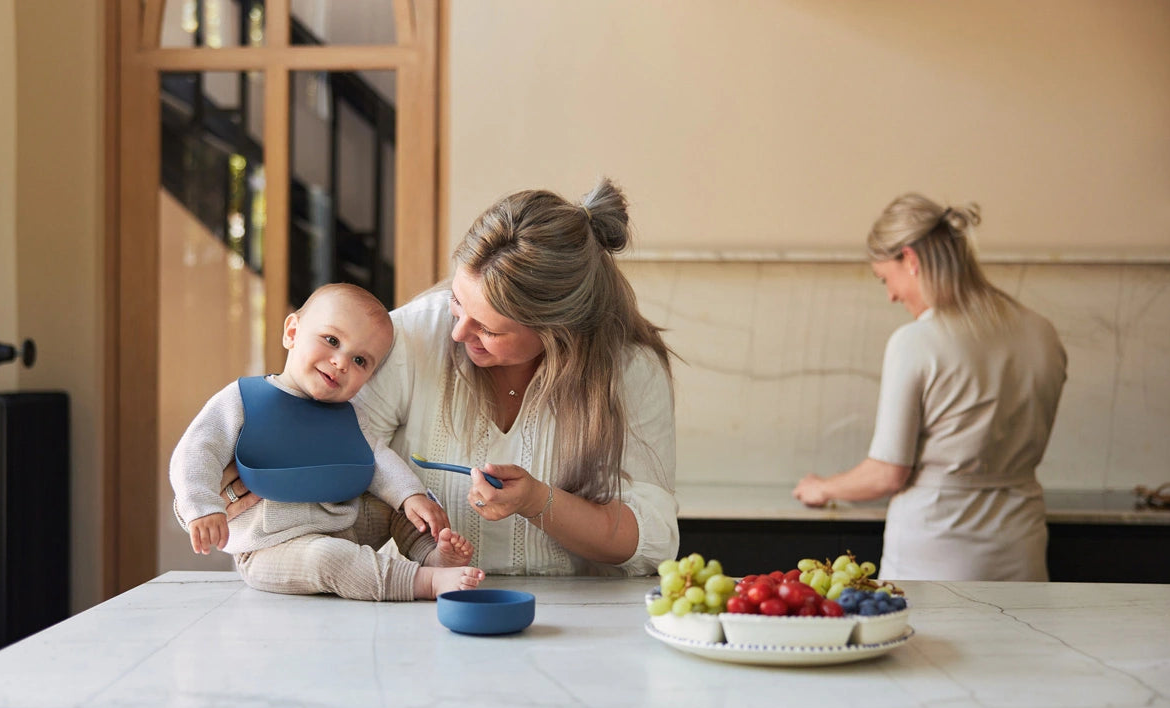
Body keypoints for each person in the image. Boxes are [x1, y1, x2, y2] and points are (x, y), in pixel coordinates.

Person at [224, 178, 680, 576]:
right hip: (424, 609)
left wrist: (538, 501)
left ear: (559, 333)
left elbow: (654, 541)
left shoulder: (630, 370)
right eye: (458, 302)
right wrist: (260, 468)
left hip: (583, 620)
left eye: (490, 328)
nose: (459, 333)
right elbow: (340, 448)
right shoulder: (410, 337)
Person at [793, 193, 1066, 581]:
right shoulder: (1042, 333)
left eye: (886, 278)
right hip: (1022, 548)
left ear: (911, 259)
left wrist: (824, 487)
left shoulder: (916, 341)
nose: (889, 295)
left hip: (935, 555)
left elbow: (887, 474)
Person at [170, 283, 485, 600]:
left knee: (394, 507)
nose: (341, 362)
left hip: (342, 526)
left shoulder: (349, 416)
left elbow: (377, 458)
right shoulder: (242, 400)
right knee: (328, 558)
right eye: (331, 341)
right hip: (271, 547)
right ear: (292, 332)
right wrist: (202, 507)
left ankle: (431, 555)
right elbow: (197, 451)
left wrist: (411, 496)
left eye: (361, 361)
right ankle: (422, 582)